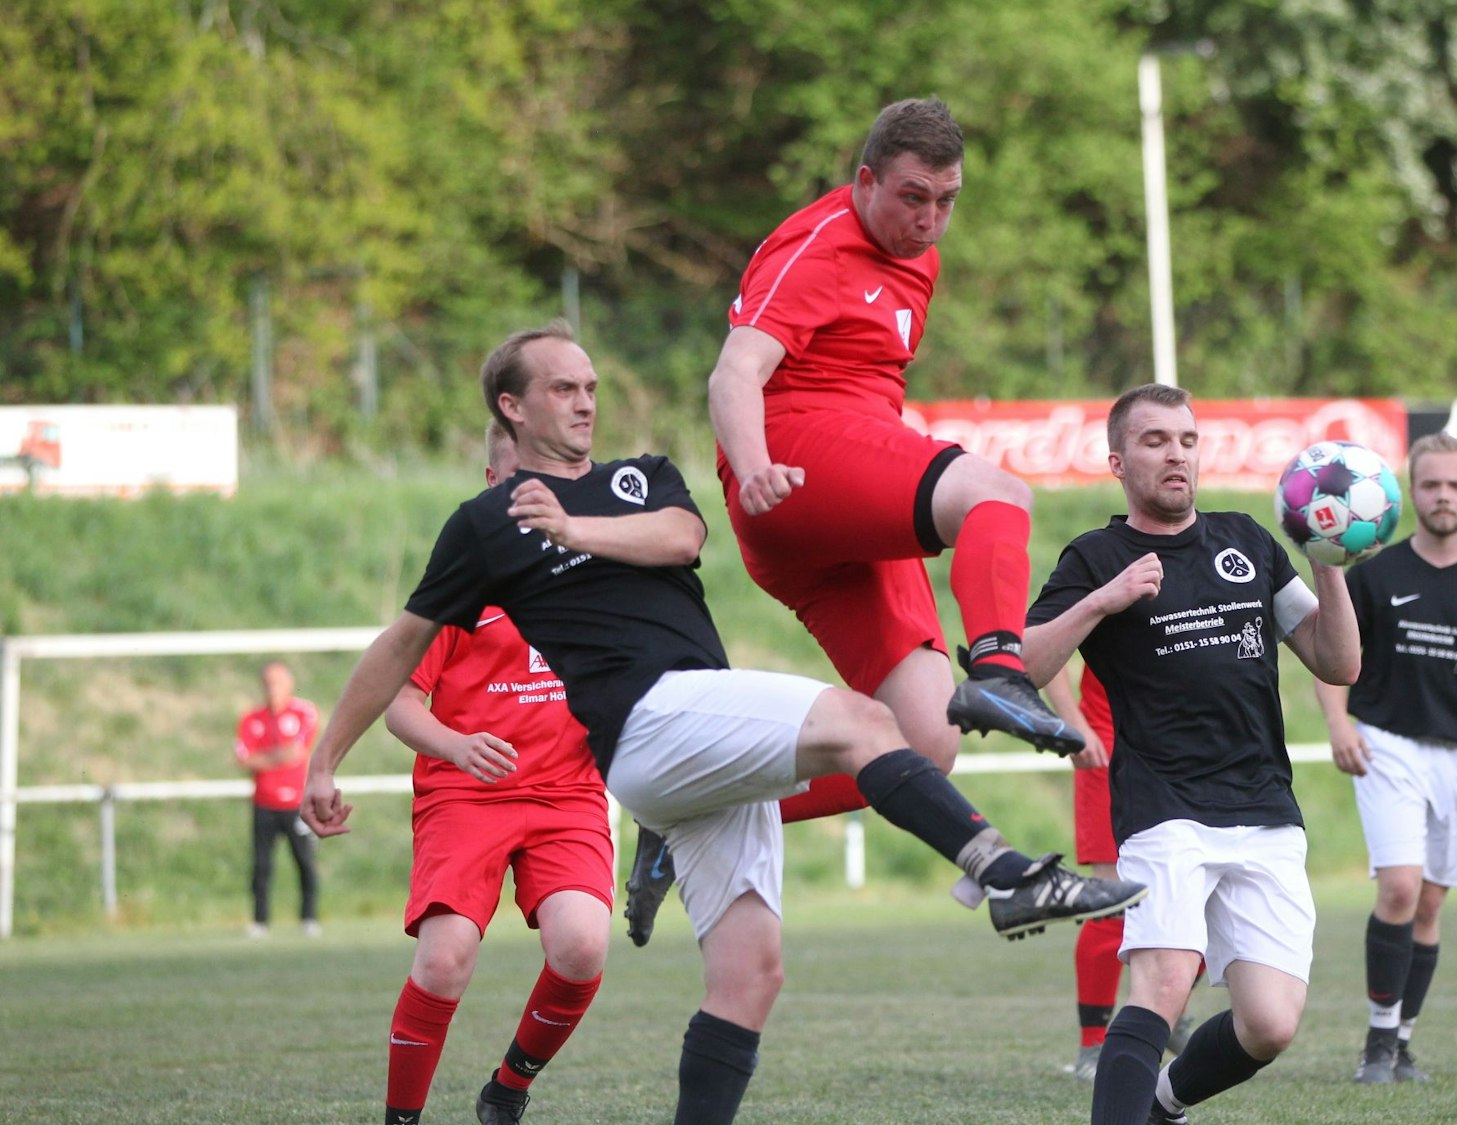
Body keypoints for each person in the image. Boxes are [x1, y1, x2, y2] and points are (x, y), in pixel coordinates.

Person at [301, 320, 1144, 1125]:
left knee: (749, 974)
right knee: (862, 719)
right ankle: (1003, 874)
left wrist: (572, 526)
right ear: (512, 408)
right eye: (562, 388)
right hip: (646, 719)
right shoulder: (484, 524)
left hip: (688, 736)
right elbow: (399, 645)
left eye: (590, 385)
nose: (586, 401)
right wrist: (323, 760)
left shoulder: (639, 477)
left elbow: (680, 534)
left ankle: (694, 872)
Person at [706, 96, 1084, 838]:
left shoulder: (920, 258)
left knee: (924, 739)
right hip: (791, 459)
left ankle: (703, 811)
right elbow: (734, 372)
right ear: (866, 180)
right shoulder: (817, 246)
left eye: (946, 201)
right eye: (913, 197)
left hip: (844, 500)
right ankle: (1001, 672)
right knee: (997, 494)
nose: (929, 219)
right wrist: (753, 468)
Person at [1022, 384, 1362, 1125]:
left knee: (1270, 1023)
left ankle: (1161, 1105)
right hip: (1164, 804)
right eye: (1154, 440)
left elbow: (1338, 663)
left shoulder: (1247, 541)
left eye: (1186, 438)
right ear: (1117, 460)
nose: (1176, 453)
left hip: (1264, 807)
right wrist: (1102, 601)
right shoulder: (1096, 555)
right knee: (1165, 977)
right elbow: (1027, 661)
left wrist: (1330, 561)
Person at [375, 422, 611, 1125]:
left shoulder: (603, 579)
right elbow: (397, 703)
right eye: (520, 480)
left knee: (581, 944)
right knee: (445, 959)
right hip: (466, 793)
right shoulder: (459, 586)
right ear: (491, 486)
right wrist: (454, 744)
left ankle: (507, 1088)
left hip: (567, 792)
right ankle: (402, 1118)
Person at [1316, 430, 1457, 1085]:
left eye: (1455, 484)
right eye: (1429, 484)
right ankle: (1377, 1047)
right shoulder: (1376, 573)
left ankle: (1402, 1041)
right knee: (1399, 886)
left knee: (1431, 903)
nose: (1442, 495)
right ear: (1408, 492)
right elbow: (1332, 654)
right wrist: (1337, 721)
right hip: (1387, 743)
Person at [1043, 666, 1198, 1083]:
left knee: (1201, 900)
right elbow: (1041, 641)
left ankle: (1172, 1013)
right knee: (1114, 903)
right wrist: (1072, 724)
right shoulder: (1101, 595)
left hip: (1187, 753)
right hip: (1109, 749)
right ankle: (1093, 1045)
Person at [233, 660, 320, 938]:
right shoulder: (251, 719)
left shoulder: (303, 712)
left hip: (297, 804)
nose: (273, 688)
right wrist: (278, 756)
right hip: (264, 803)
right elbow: (244, 760)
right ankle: (260, 921)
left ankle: (309, 917)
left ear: (289, 684)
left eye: (278, 682)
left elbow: (297, 752)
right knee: (261, 865)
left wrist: (264, 758)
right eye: (268, 683)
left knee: (305, 862)